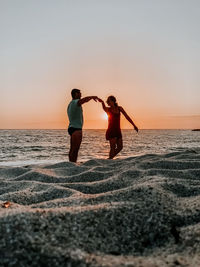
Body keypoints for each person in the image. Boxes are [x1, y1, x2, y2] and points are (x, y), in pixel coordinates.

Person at [67, 88, 98, 162]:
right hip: (77, 128)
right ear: (75, 94)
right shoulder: (75, 102)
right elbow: (84, 100)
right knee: (75, 149)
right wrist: (92, 97)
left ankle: (71, 163)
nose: (81, 94)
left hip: (71, 128)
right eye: (79, 93)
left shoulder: (70, 104)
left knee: (72, 149)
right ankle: (73, 163)